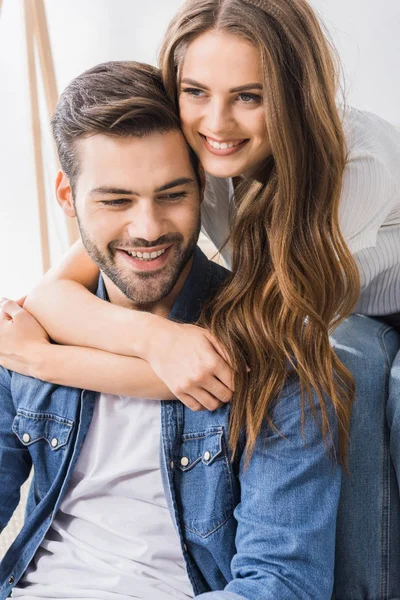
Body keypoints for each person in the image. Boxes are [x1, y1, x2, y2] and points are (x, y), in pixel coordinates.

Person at [1, 0, 400, 597]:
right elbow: (53, 293)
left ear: (293, 94)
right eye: (195, 91)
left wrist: (42, 360)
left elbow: (246, 372)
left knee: (349, 357)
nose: (217, 120)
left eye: (249, 95)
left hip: (369, 302)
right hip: (274, 308)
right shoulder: (206, 159)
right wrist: (153, 337)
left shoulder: (354, 164)